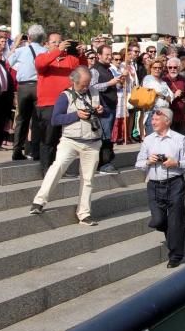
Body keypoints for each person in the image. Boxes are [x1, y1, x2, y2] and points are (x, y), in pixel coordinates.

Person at [29, 67, 107, 225]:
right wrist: (76, 115)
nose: (86, 88)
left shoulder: (95, 93)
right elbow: (55, 119)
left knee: (88, 179)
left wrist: (100, 110)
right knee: (57, 167)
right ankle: (39, 201)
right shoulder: (65, 96)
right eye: (82, 85)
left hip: (92, 142)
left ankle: (84, 213)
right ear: (74, 81)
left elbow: (104, 112)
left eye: (88, 84)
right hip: (70, 140)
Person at [135, 106, 185, 268]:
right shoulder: (148, 140)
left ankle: (175, 255)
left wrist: (176, 163)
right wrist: (148, 161)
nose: (152, 122)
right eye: (152, 119)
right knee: (159, 220)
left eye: (156, 119)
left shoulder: (179, 139)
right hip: (154, 185)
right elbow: (138, 164)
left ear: (166, 121)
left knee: (176, 221)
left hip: (175, 183)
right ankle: (172, 235)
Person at [34, 34, 88, 176]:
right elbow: (40, 65)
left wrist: (81, 54)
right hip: (48, 104)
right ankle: (46, 169)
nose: (58, 44)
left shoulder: (70, 59)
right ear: (47, 44)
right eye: (54, 42)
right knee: (48, 138)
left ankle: (60, 169)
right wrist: (57, 50)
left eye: (60, 42)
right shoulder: (42, 56)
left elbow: (83, 70)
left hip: (67, 103)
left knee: (63, 140)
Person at [8, 25, 47, 161]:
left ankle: (17, 150)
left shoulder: (21, 50)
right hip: (39, 86)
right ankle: (35, 150)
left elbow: (9, 61)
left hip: (23, 87)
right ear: (43, 38)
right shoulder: (45, 51)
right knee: (37, 120)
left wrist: (16, 45)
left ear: (29, 37)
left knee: (21, 119)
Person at [89, 45, 123, 175]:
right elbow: (93, 87)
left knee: (108, 133)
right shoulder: (95, 70)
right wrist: (110, 83)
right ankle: (104, 163)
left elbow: (113, 85)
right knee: (105, 135)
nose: (109, 57)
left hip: (111, 105)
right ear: (99, 55)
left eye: (110, 55)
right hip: (103, 107)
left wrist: (118, 83)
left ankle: (107, 160)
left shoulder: (108, 69)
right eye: (106, 55)